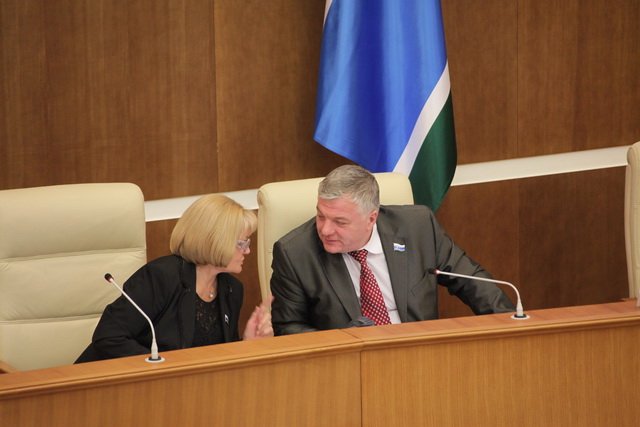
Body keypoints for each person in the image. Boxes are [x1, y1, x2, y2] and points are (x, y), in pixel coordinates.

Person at [270, 165, 515, 335]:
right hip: (350, 366)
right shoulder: (295, 253)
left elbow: (471, 280)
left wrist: (509, 324)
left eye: (340, 222)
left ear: (371, 218)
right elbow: (287, 327)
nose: (325, 230)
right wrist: (343, 339)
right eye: (321, 216)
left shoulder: (418, 227)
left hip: (420, 354)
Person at [76, 194, 273, 363]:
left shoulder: (231, 289)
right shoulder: (161, 277)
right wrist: (163, 366)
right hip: (116, 385)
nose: (247, 251)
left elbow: (214, 356)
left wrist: (246, 344)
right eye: (242, 243)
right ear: (215, 240)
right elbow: (109, 337)